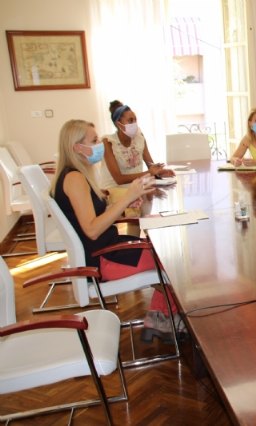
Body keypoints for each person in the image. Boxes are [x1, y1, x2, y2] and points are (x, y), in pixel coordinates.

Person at [51, 119, 178, 342]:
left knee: (165, 251)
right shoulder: (74, 178)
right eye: (94, 140)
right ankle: (164, 321)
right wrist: (127, 197)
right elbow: (91, 230)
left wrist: (126, 203)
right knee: (172, 259)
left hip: (106, 250)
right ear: (77, 147)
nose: (100, 144)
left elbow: (93, 220)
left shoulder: (75, 175)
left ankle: (161, 320)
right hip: (104, 260)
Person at [101, 100, 174, 188]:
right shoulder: (108, 142)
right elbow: (119, 179)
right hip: (114, 192)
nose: (134, 123)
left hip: (136, 189)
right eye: (130, 120)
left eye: (135, 120)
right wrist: (149, 172)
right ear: (119, 124)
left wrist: (159, 172)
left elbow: (150, 165)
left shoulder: (139, 138)